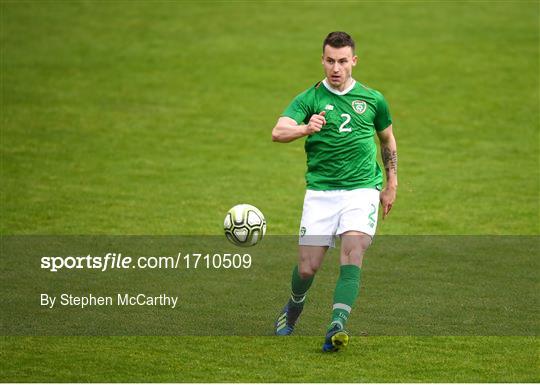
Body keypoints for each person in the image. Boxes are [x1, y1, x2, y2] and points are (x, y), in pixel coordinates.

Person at [271, 31, 398, 352]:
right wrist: (305, 128)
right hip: (321, 193)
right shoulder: (309, 99)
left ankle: (336, 324)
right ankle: (293, 307)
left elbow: (387, 140)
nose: (336, 68)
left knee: (353, 251)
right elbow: (278, 131)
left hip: (362, 190)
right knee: (307, 267)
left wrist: (391, 183)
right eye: (330, 61)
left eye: (343, 61)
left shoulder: (373, 99)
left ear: (353, 61)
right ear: (322, 60)